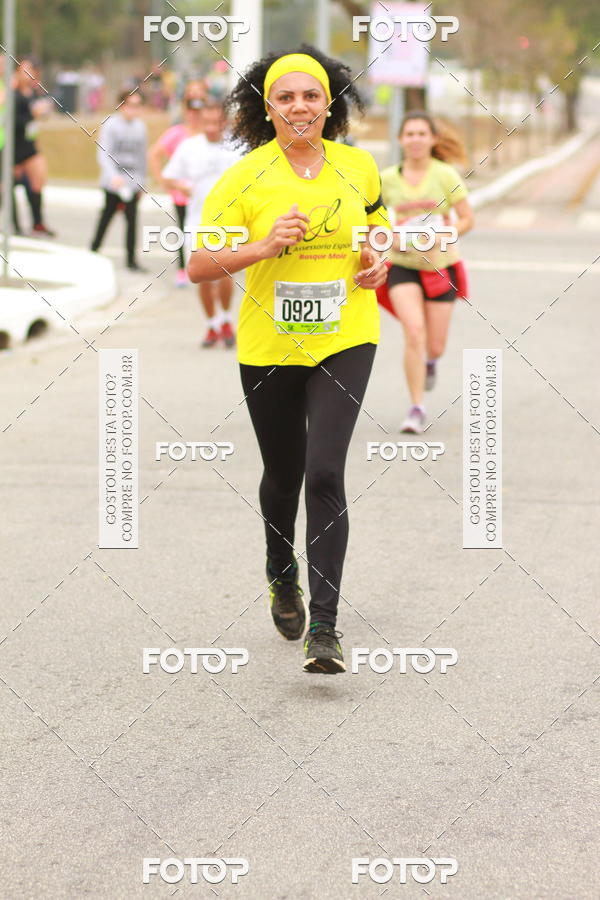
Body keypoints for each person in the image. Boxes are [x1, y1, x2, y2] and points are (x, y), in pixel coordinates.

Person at [188, 46, 389, 674]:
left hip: (346, 335)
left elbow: (378, 227)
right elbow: (198, 265)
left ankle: (324, 628)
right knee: (284, 473)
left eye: (311, 96)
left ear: (330, 104)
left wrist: (377, 259)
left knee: (325, 471)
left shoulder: (359, 167)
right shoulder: (243, 179)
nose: (300, 107)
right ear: (267, 108)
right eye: (286, 97)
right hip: (269, 345)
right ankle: (281, 571)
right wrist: (262, 247)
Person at [380, 111, 474, 433]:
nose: (416, 140)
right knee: (414, 331)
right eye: (410, 134)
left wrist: (442, 235)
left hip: (440, 267)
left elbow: (467, 219)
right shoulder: (387, 179)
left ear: (433, 139)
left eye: (422, 134)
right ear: (400, 139)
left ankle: (430, 362)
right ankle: (416, 407)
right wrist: (390, 237)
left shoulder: (445, 176)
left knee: (434, 345)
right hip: (402, 265)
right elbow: (374, 221)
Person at [162, 100, 242, 347]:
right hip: (197, 222)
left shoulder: (237, 147)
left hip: (229, 223)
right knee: (203, 276)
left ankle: (226, 320)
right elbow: (168, 177)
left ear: (225, 122)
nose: (210, 127)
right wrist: (182, 186)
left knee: (225, 273)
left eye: (215, 122)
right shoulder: (189, 147)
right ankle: (212, 324)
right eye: (206, 122)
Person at [148, 79, 208, 287]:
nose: (195, 113)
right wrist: (165, 182)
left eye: (200, 104)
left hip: (206, 194)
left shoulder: (211, 134)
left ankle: (207, 265)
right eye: (191, 106)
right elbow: (154, 155)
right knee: (183, 231)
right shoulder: (177, 133)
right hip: (183, 194)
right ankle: (182, 269)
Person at [90, 89, 147, 271]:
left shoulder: (140, 127)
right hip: (113, 182)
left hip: (132, 181)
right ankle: (93, 250)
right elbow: (103, 153)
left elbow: (141, 156)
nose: (133, 109)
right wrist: (112, 176)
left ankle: (131, 260)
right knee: (107, 216)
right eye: (130, 105)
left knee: (132, 220)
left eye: (137, 105)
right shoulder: (111, 125)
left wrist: (142, 182)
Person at [12, 56, 56, 237]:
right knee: (9, 186)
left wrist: (43, 112)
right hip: (12, 145)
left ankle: (38, 223)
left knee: (37, 182)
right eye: (25, 70)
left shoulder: (34, 93)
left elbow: (40, 116)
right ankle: (14, 225)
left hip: (28, 144)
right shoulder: (11, 93)